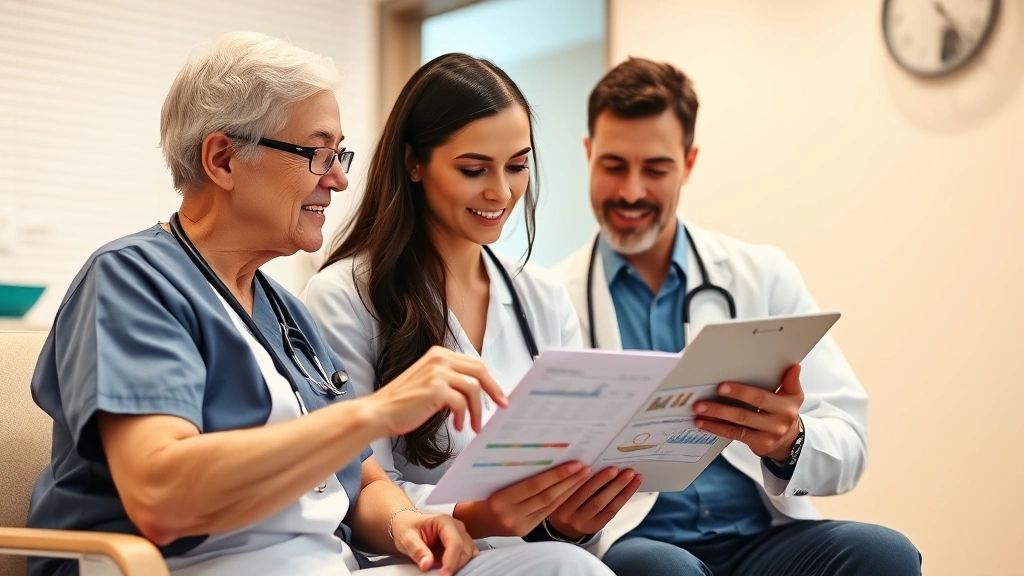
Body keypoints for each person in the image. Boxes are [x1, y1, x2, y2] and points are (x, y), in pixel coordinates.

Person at [25, 31, 568, 576]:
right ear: (223, 159)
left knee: (560, 567)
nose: (339, 178)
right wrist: (373, 412)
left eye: (339, 154)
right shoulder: (133, 280)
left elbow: (363, 478)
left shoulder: (283, 310)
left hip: (327, 566)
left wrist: (406, 520)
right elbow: (161, 493)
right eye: (317, 154)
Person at [555, 57, 922, 576]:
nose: (632, 191)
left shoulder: (762, 274)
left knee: (886, 554)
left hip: (764, 539)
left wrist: (788, 441)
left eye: (656, 169)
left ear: (689, 162)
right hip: (637, 542)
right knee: (666, 571)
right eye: (614, 165)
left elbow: (851, 444)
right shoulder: (550, 297)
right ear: (589, 154)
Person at [302, 53, 633, 569]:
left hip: (533, 556)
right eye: (474, 169)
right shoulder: (345, 296)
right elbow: (358, 488)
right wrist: (477, 515)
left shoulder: (542, 297)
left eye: (517, 166)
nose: (501, 193)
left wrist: (564, 517)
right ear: (414, 162)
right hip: (415, 562)